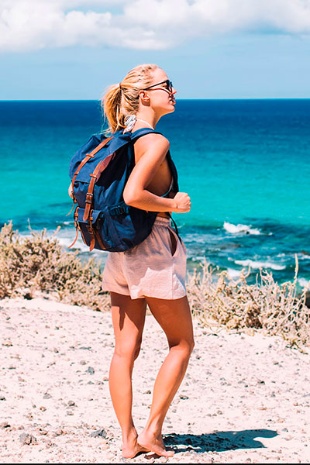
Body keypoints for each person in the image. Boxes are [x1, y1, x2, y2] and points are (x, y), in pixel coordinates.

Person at [100, 64, 195, 459]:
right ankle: (152, 434)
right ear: (144, 96)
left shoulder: (119, 136)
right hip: (152, 247)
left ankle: (128, 439)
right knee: (182, 343)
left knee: (125, 350)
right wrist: (174, 204)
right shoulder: (155, 140)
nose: (173, 91)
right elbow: (133, 195)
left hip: (120, 249)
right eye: (166, 86)